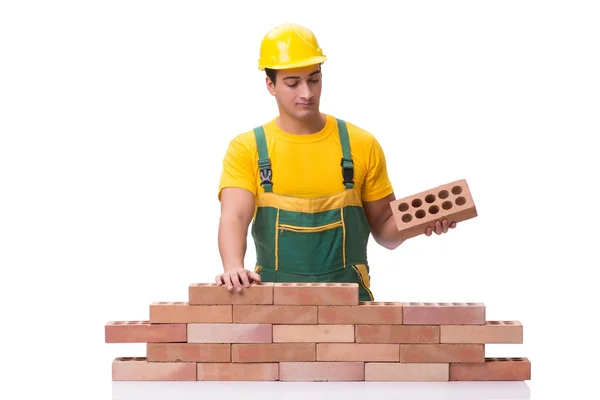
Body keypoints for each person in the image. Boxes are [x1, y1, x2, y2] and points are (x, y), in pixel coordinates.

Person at [215, 23, 456, 300]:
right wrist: (233, 266)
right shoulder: (248, 149)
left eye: (314, 79)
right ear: (270, 84)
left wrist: (426, 217)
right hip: (274, 309)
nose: (306, 93)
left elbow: (386, 234)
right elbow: (234, 215)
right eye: (293, 83)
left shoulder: (360, 144)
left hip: (352, 310)